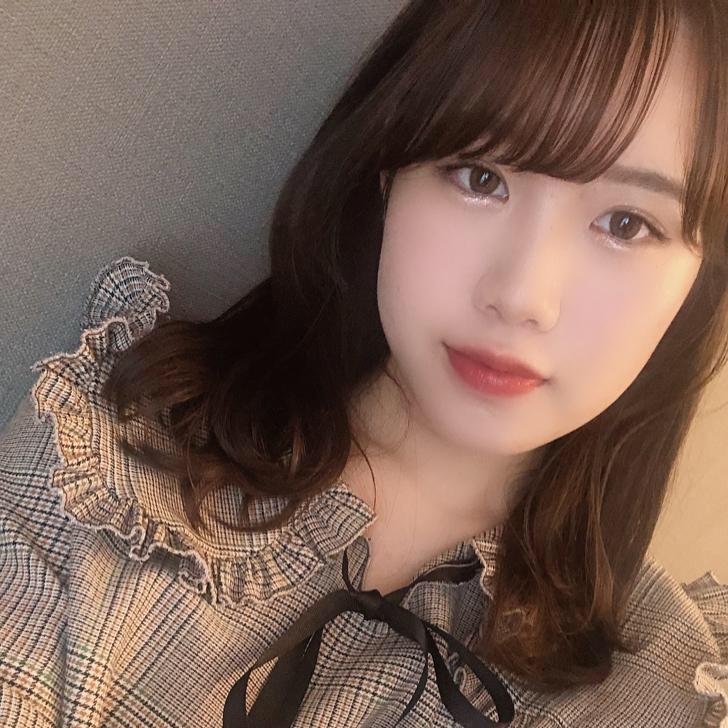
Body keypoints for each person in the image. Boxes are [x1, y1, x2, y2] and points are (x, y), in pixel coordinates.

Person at [1, 1, 727, 726]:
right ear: (389, 175)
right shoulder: (108, 463)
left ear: (697, 283)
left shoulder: (665, 691)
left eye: (627, 223)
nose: (521, 296)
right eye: (479, 177)